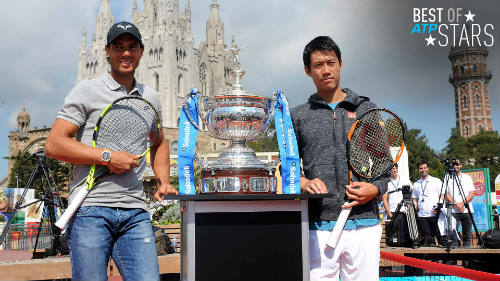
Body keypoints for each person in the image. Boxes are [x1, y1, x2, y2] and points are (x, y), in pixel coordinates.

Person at [46, 21, 177, 280]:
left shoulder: (151, 97)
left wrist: (163, 181)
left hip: (136, 213)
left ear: (141, 51)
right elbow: (54, 144)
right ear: (107, 51)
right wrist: (107, 157)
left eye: (131, 47)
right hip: (91, 211)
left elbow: (159, 141)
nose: (125, 53)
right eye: (118, 47)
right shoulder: (87, 90)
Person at [291, 36, 387, 281]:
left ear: (340, 64)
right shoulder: (298, 116)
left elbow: (385, 164)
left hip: (363, 224)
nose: (326, 70)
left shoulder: (366, 109)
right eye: (318, 65)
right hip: (317, 225)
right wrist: (303, 183)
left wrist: (374, 188)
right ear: (307, 71)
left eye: (330, 63)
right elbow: (286, 167)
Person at [445, 158, 475, 247]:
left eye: (457, 164)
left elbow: (472, 193)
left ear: (461, 166)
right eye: (453, 164)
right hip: (453, 211)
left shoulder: (467, 177)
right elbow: (446, 194)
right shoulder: (447, 177)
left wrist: (462, 204)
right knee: (454, 236)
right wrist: (456, 204)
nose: (455, 166)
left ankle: (466, 260)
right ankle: (454, 259)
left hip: (466, 210)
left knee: (467, 236)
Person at [412, 161, 442, 246]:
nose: (423, 170)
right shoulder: (416, 184)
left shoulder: (436, 181)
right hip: (422, 215)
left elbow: (443, 195)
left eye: (425, 168)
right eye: (421, 168)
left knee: (440, 238)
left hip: (435, 214)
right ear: (418, 170)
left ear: (428, 168)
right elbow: (415, 199)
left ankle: (443, 259)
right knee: (428, 240)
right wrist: (414, 209)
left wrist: (439, 208)